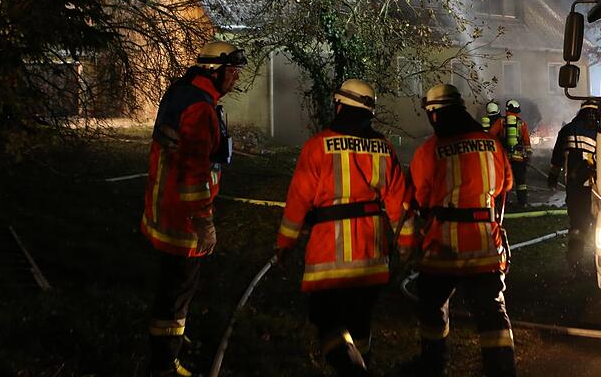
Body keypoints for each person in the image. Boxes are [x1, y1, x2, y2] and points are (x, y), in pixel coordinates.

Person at [275, 79, 413, 376]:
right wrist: (406, 248)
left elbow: (298, 201)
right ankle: (362, 363)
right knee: (360, 323)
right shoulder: (384, 148)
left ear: (339, 106)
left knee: (328, 325)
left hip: (328, 260)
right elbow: (400, 206)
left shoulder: (317, 146)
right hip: (372, 259)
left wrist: (285, 244)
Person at [141, 40, 246, 377]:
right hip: (183, 220)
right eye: (231, 73)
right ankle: (164, 363)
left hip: (162, 210)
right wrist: (204, 222)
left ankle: (170, 345)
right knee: (176, 295)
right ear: (214, 71)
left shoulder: (182, 92)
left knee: (169, 288)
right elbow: (193, 171)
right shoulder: (200, 108)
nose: (234, 80)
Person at [409, 84, 516, 377]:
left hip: (442, 249)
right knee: (492, 312)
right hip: (484, 247)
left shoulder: (429, 151)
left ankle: (433, 363)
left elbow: (421, 197)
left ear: (434, 114)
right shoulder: (491, 144)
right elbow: (505, 185)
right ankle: (503, 369)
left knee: (432, 306)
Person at [547, 99, 601, 270]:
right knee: (599, 223)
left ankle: (575, 260)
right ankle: (599, 261)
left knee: (577, 224)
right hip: (597, 188)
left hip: (574, 186)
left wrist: (553, 177)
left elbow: (557, 157)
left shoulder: (567, 129)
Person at [487, 99, 531, 207]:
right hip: (519, 158)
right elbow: (527, 142)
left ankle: (503, 204)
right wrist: (528, 156)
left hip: (505, 158)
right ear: (518, 111)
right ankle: (523, 203)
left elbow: (490, 135)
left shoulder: (501, 122)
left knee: (504, 181)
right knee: (521, 182)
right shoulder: (522, 124)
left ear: (506, 110)